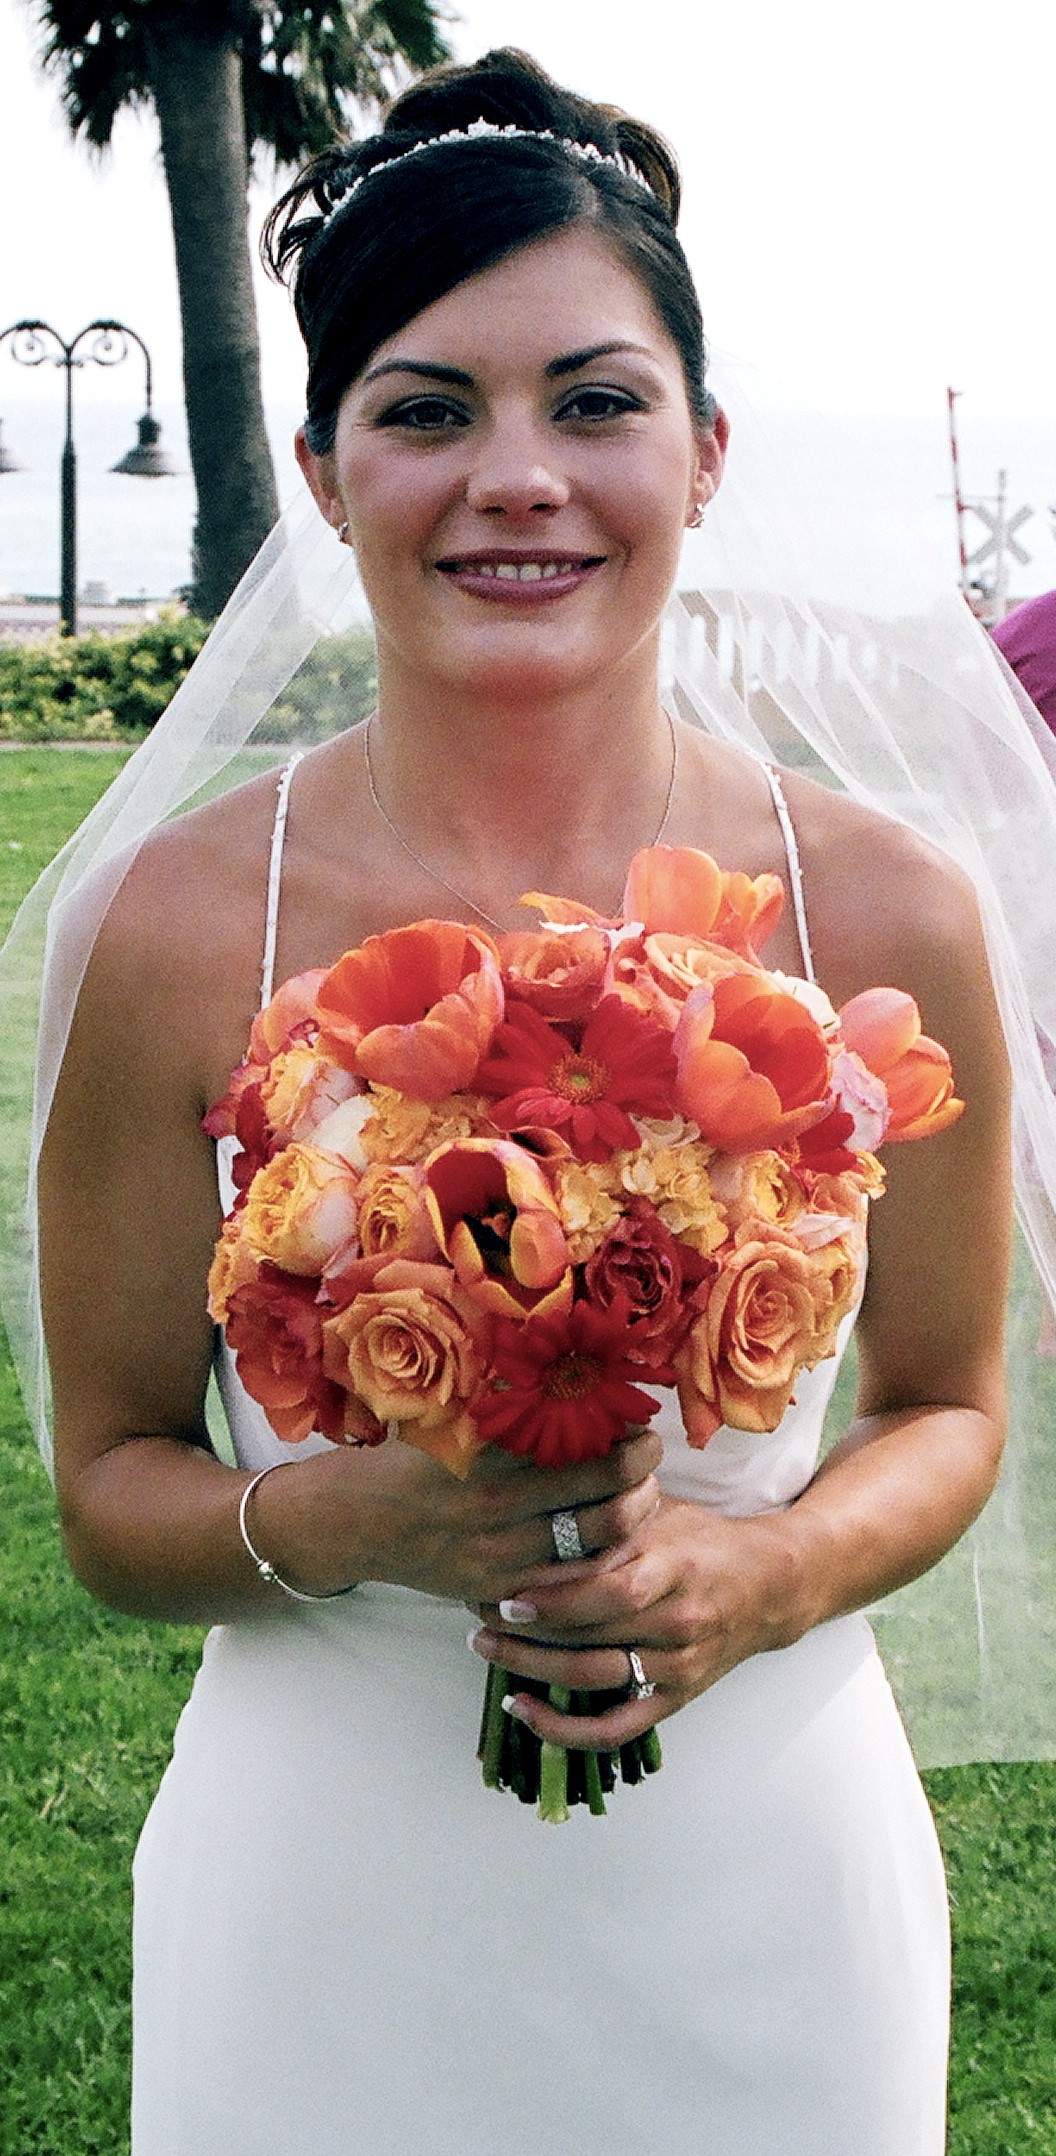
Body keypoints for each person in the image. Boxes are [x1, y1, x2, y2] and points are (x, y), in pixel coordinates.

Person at [7, 46, 1046, 2156]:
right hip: (327, 1907)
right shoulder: (179, 927)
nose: (517, 477)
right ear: (322, 472)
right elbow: (111, 1486)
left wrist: (767, 1575)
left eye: (593, 403)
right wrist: (343, 1519)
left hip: (765, 1890)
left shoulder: (891, 907)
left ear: (706, 451)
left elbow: (947, 1402)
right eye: (424, 412)